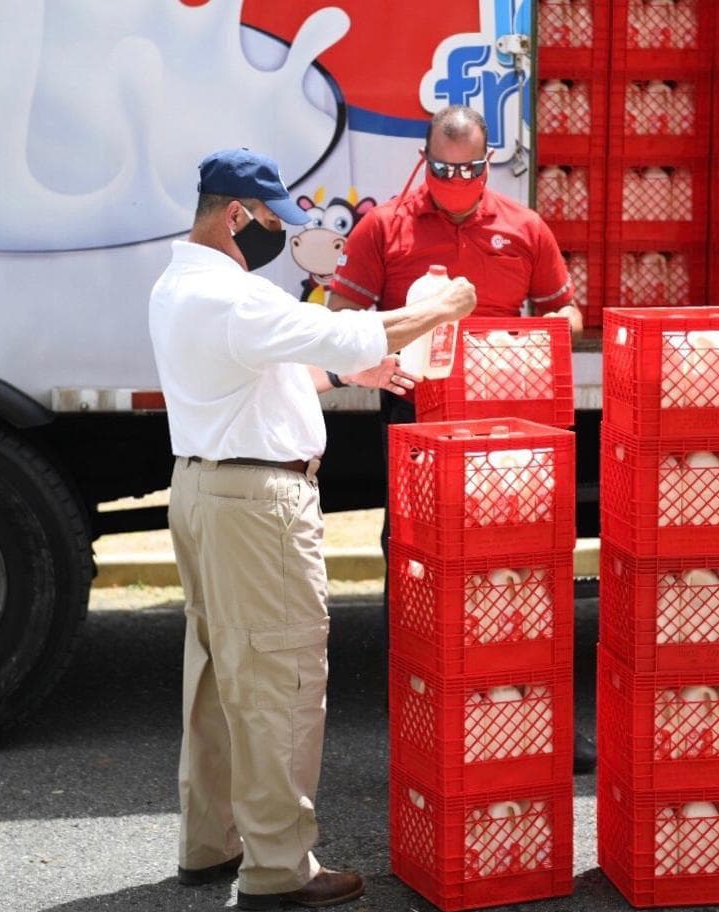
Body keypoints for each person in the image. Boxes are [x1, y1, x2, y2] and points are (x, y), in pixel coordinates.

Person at [149, 147, 475, 911]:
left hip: (204, 488)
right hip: (257, 504)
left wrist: (341, 374)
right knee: (280, 680)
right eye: (273, 221)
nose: (283, 237)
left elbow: (262, 370)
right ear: (235, 214)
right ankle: (279, 869)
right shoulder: (232, 297)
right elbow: (354, 333)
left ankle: (211, 843)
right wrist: (443, 306)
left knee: (218, 675)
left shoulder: (180, 285)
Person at [328, 105, 597, 775]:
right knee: (418, 568)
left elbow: (567, 311)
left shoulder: (524, 227)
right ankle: (419, 716)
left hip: (510, 434)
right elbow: (340, 317)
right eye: (443, 170)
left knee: (521, 570)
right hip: (418, 427)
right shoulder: (384, 227)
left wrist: (539, 335)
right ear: (424, 161)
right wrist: (391, 346)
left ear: (489, 162)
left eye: (469, 169)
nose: (456, 182)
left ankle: (541, 719)